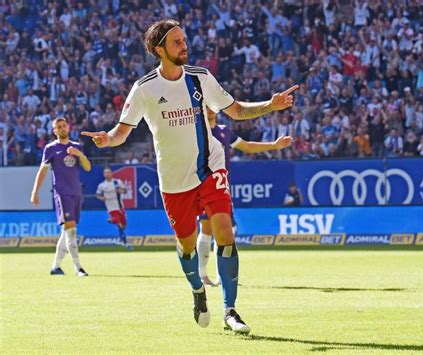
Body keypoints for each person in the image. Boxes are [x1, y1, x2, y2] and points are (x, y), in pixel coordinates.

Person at [82, 19, 298, 334]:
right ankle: (198, 290)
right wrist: (106, 139)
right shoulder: (144, 88)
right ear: (159, 50)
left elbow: (235, 110)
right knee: (186, 247)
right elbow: (121, 132)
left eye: (184, 40)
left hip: (210, 166)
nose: (185, 45)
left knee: (225, 230)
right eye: (177, 42)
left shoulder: (201, 78)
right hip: (173, 181)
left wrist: (271, 105)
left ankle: (231, 310)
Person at [197, 108, 293, 287]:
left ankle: (222, 276)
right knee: (206, 229)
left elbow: (247, 146)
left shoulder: (225, 131)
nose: (209, 109)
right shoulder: (196, 131)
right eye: (206, 106)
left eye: (212, 106)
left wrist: (274, 145)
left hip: (221, 187)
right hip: (202, 186)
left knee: (225, 232)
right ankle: (202, 275)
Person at [30, 117, 91, 276]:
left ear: (68, 128)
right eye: (59, 127)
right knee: (71, 230)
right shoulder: (50, 148)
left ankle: (55, 267)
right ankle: (78, 268)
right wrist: (35, 192)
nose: (62, 128)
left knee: (67, 231)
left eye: (64, 126)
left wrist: (80, 155)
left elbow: (88, 167)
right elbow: (42, 171)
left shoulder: (77, 146)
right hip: (62, 193)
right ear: (54, 131)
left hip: (76, 192)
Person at [96, 167, 132, 250]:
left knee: (123, 226)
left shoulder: (117, 182)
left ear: (111, 173)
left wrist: (121, 191)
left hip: (120, 206)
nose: (107, 174)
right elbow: (97, 195)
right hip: (111, 207)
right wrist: (101, 198)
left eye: (108, 172)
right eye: (105, 173)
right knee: (119, 225)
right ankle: (126, 244)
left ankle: (113, 220)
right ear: (104, 174)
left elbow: (125, 190)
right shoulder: (102, 185)